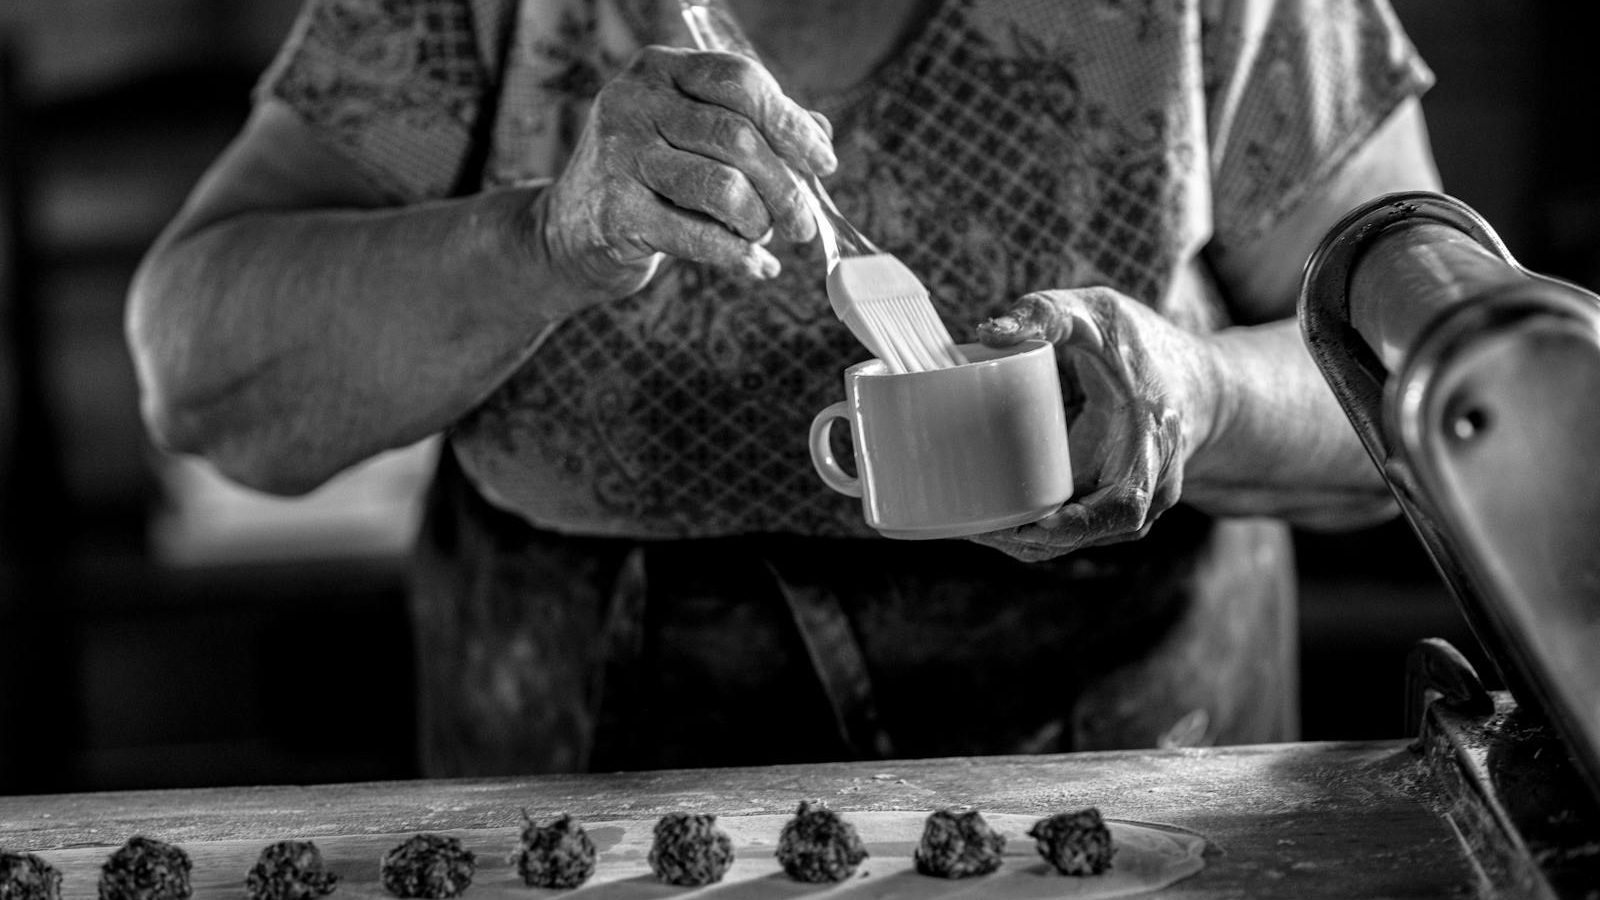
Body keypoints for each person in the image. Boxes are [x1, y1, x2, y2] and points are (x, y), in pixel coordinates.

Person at [126, 0, 1441, 776]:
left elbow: (1428, 381)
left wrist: (1201, 393)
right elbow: (200, 378)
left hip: (1125, 797)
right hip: (578, 790)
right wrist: (544, 241)